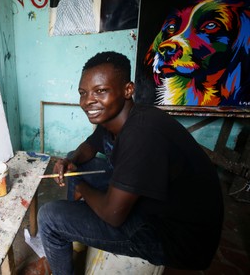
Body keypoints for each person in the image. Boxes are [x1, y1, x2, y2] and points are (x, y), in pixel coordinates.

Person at [38, 51, 224, 274]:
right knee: (78, 166)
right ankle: (75, 241)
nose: (87, 101)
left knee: (48, 217)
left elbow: (113, 215)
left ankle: (61, 236)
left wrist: (81, 188)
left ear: (128, 90)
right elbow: (89, 146)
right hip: (158, 203)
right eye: (83, 93)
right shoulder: (118, 117)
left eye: (100, 91)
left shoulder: (141, 134)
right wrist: (70, 160)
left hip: (177, 238)